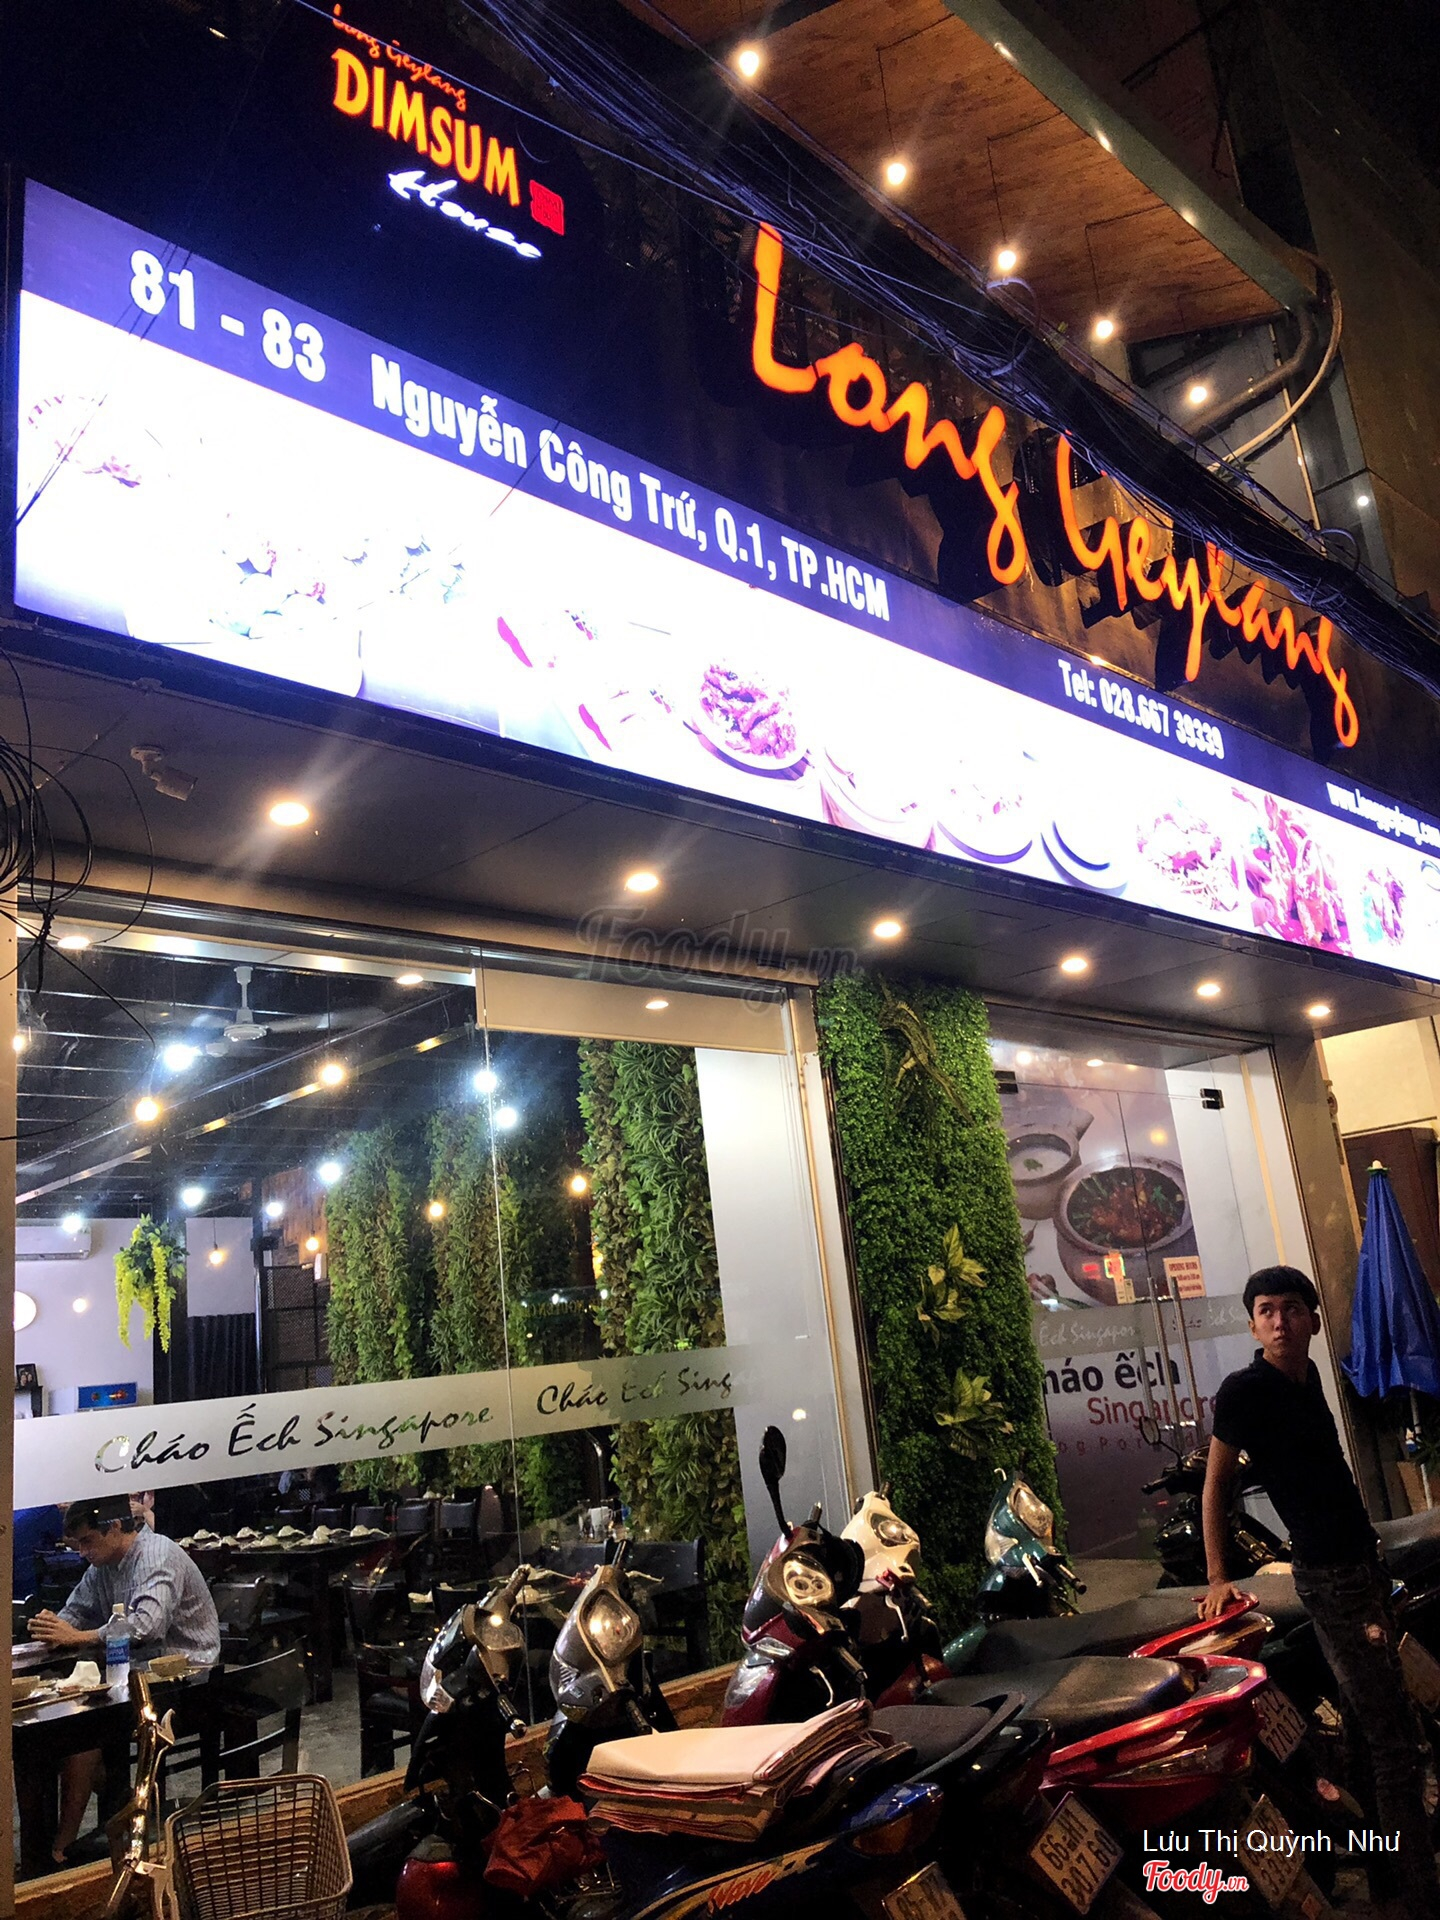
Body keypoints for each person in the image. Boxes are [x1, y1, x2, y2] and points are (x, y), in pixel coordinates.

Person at [1201, 1265, 1440, 1920]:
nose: (1280, 1321)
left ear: (1310, 1319)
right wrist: (1218, 1577)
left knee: (1365, 1735)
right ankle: (1420, 1893)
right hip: (1329, 1579)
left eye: (1291, 1309)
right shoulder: (1245, 1390)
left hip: (1360, 1563)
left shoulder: (1307, 1380)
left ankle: (1386, 1883)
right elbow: (1216, 1485)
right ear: (1253, 1324)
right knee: (1395, 1742)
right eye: (1266, 1310)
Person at [27, 1495, 221, 1863]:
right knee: (60, 1726)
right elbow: (74, 1614)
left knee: (80, 1731)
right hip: (134, 1677)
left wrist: (78, 1637)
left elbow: (147, 1627)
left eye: (87, 1541)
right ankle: (107, 1808)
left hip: (188, 1679)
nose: (82, 1552)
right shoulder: (102, 1565)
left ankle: (60, 1849)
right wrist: (50, 1629)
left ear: (114, 1527)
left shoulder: (157, 1554)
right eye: (77, 1544)